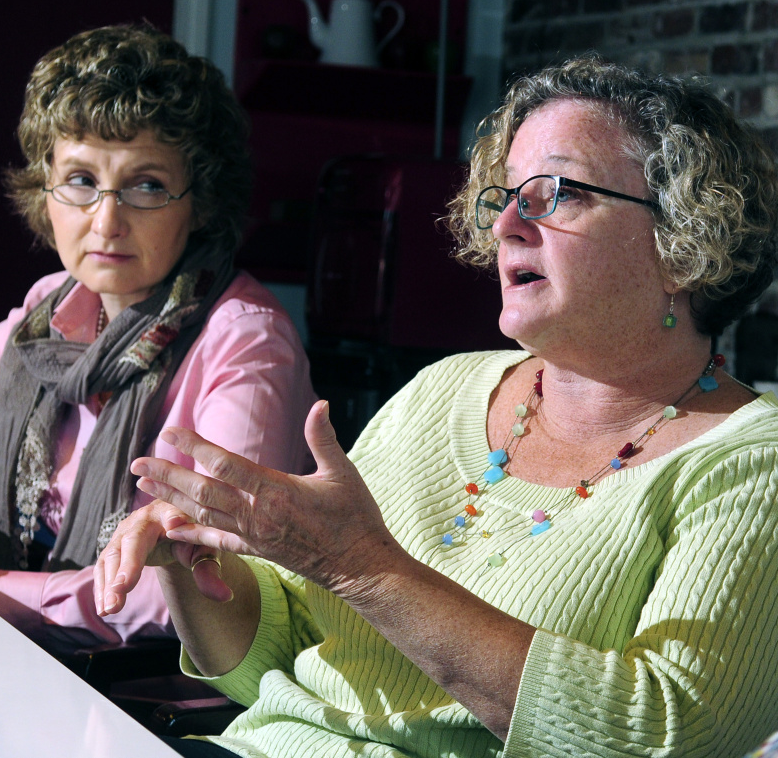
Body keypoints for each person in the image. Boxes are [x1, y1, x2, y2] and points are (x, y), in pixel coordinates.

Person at [94, 55, 778, 758]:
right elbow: (287, 649)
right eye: (504, 196)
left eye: (555, 193)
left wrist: (364, 566)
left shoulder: (754, 464)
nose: (507, 222)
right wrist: (191, 565)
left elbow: (667, 735)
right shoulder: (444, 387)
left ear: (685, 241)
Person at [0, 24, 315, 654]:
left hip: (157, 695)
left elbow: (220, 579)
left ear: (201, 201)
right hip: (8, 655)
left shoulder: (248, 341)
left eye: (147, 184)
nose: (106, 220)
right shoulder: (52, 312)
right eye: (79, 179)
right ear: (46, 190)